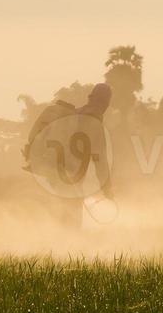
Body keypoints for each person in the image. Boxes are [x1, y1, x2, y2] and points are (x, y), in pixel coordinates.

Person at [24, 82, 114, 228]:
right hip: (73, 176)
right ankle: (69, 245)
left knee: (62, 209)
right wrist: (107, 188)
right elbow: (101, 162)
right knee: (72, 214)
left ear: (90, 97)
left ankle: (57, 243)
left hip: (56, 172)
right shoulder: (96, 125)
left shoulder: (72, 114)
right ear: (106, 103)